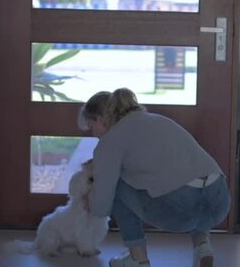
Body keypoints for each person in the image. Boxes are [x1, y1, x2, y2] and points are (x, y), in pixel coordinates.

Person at [78, 87, 231, 267]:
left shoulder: (109, 142)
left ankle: (138, 258)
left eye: (91, 126)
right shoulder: (159, 120)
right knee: (189, 182)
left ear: (101, 119)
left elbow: (101, 207)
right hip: (219, 200)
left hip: (184, 209)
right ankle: (202, 245)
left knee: (116, 186)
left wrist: (91, 199)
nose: (93, 134)